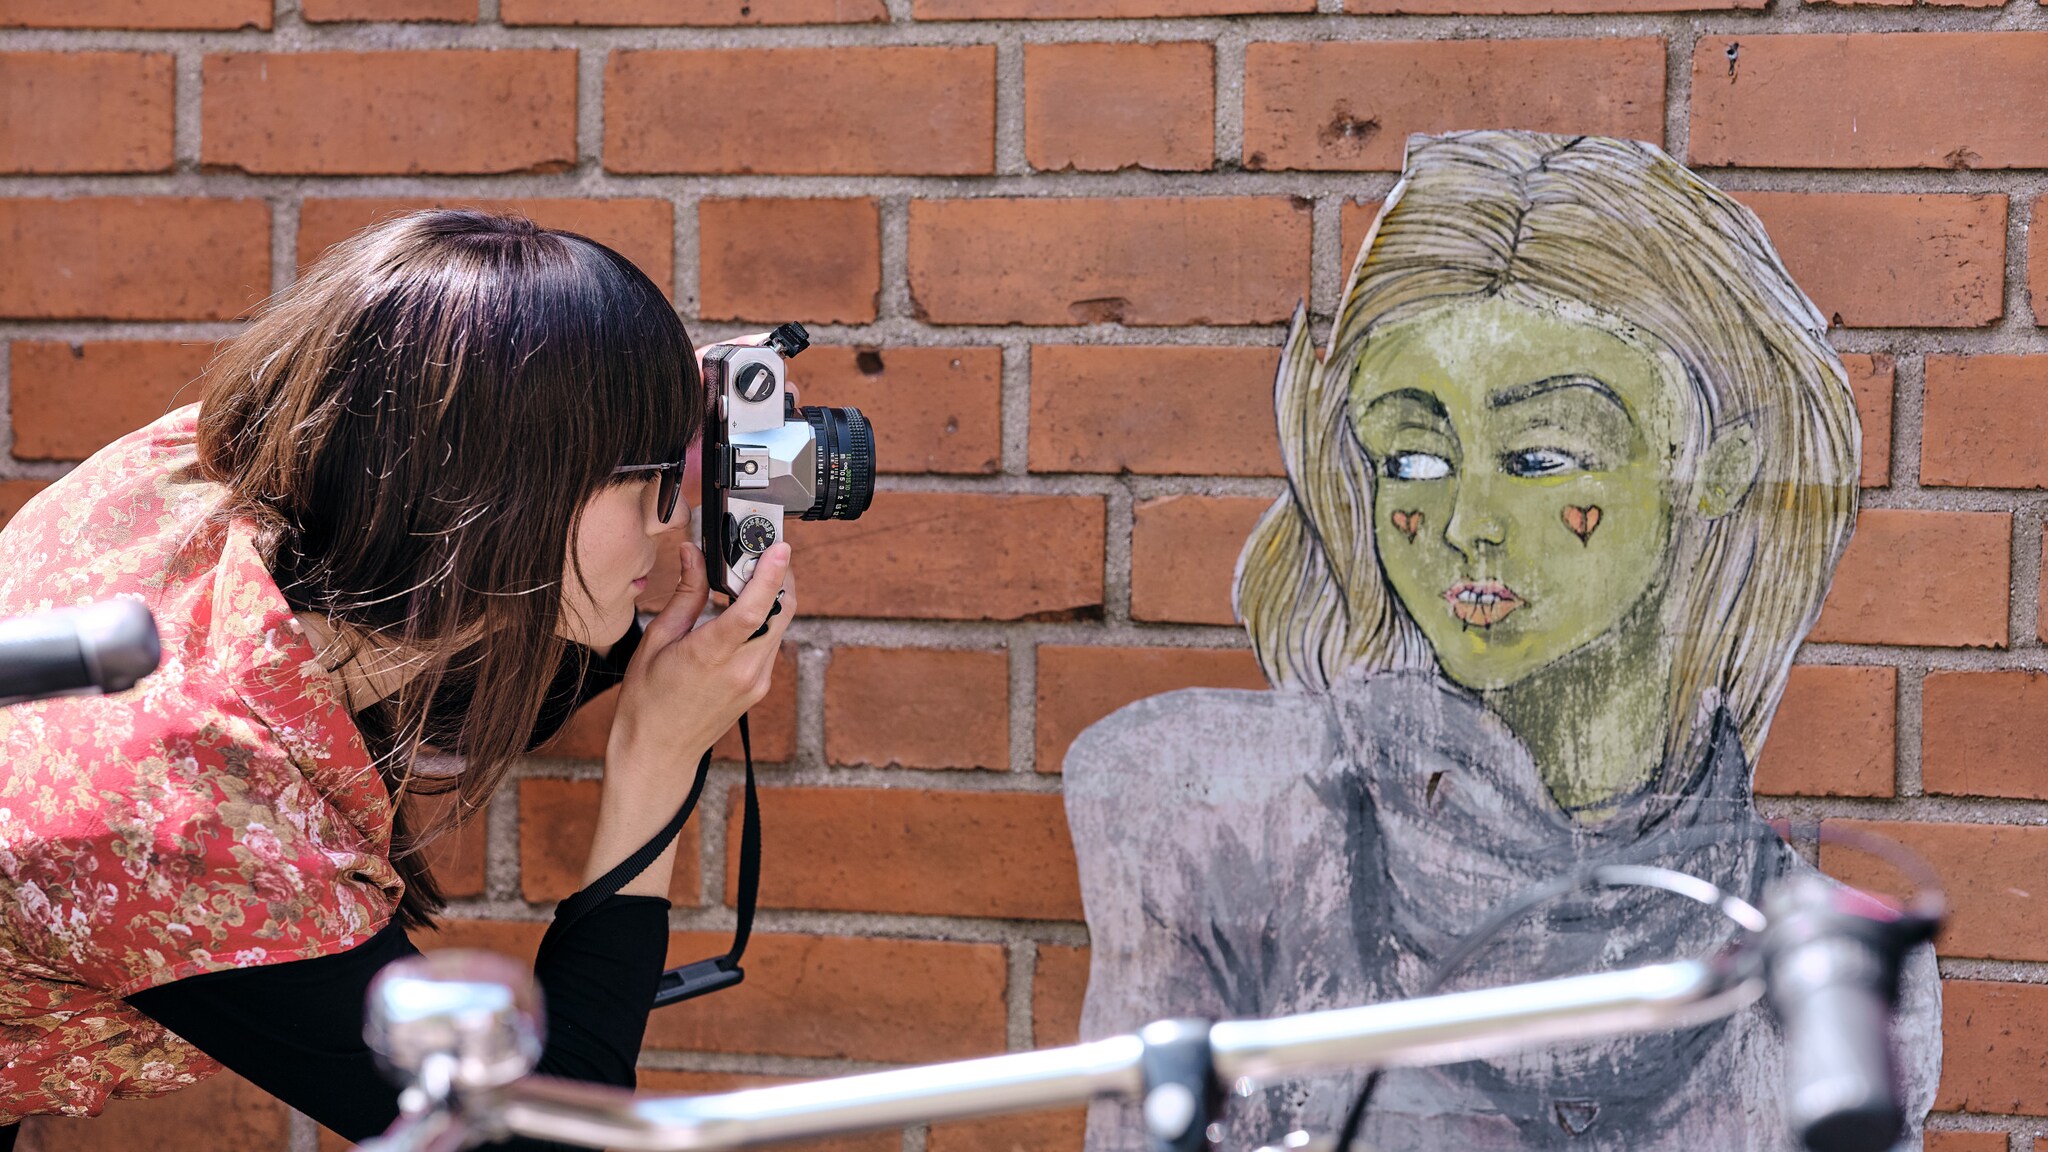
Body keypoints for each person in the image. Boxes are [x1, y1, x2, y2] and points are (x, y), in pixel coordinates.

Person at [1064, 132, 1939, 1150]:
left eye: (1538, 456)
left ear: (1718, 467)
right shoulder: (1209, 814)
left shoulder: (1840, 970)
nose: (1465, 523)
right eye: (1414, 461)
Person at [0, 210, 795, 1148]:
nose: (670, 519)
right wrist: (657, 758)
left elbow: (442, 468)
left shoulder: (210, 471)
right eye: (654, 480)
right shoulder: (184, 822)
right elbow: (534, 1140)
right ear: (507, 497)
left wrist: (619, 408)